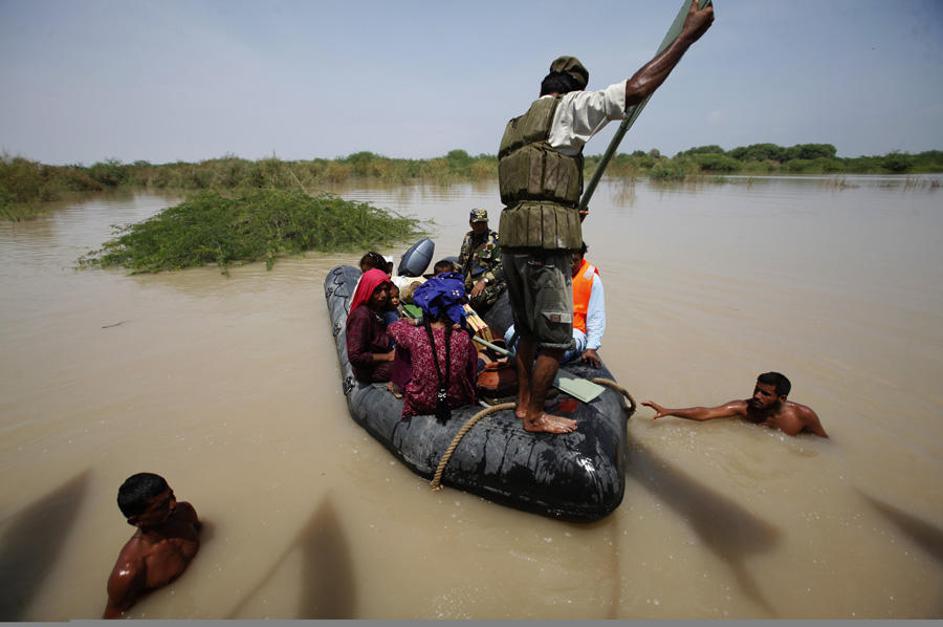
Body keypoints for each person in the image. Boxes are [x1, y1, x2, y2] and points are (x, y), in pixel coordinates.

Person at [497, 0, 714, 434]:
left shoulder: (516, 125)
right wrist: (686, 37)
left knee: (526, 331)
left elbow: (532, 187)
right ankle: (536, 416)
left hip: (513, 243)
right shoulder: (570, 108)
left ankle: (522, 405)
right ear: (573, 89)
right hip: (543, 249)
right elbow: (636, 89)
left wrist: (564, 212)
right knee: (555, 338)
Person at [103, 473, 201, 619]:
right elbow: (114, 617)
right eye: (161, 507)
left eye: (171, 496)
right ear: (136, 521)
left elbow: (202, 532)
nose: (173, 505)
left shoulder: (185, 513)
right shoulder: (130, 572)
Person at [388, 273, 478, 418]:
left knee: (402, 347)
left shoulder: (414, 335)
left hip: (422, 401)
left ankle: (396, 386)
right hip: (457, 399)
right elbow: (470, 369)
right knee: (472, 353)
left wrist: (411, 323)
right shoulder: (463, 336)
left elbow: (392, 328)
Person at [503, 242, 606, 367]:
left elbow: (596, 317)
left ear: (582, 258)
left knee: (561, 351)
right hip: (544, 325)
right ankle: (522, 365)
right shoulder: (548, 271)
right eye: (567, 260)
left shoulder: (592, 280)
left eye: (575, 260)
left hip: (574, 330)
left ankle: (537, 366)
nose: (571, 265)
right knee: (509, 335)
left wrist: (591, 347)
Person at [642, 372, 829, 438]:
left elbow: (822, 443)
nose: (757, 396)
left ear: (782, 398)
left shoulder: (803, 415)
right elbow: (706, 413)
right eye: (756, 390)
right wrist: (669, 411)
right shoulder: (743, 408)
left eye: (765, 394)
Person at [346, 268, 395, 383]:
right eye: (378, 290)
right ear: (368, 290)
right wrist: (388, 356)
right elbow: (355, 357)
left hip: (382, 355)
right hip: (370, 369)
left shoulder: (376, 309)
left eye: (385, 290)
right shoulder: (362, 316)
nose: (383, 295)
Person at [457, 208, 505, 313]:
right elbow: (461, 261)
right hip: (468, 280)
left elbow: (502, 266)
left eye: (483, 223)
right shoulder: (468, 237)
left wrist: (484, 281)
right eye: (477, 223)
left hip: (488, 281)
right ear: (470, 223)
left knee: (477, 299)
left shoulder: (494, 240)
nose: (480, 226)